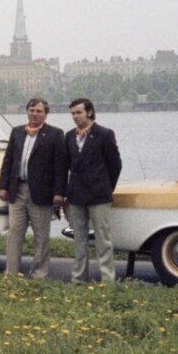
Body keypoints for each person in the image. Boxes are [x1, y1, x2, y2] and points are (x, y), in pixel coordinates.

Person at [0, 97, 67, 279]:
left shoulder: (55, 134)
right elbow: (8, 161)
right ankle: (11, 273)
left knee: (41, 236)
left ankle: (39, 274)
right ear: (27, 111)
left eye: (39, 111)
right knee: (14, 234)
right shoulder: (17, 132)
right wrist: (3, 186)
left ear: (45, 114)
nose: (35, 114)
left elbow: (61, 166)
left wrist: (59, 192)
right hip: (17, 190)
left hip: (41, 193)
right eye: (32, 110)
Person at [64, 97, 122, 284]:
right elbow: (66, 165)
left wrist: (106, 186)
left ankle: (108, 279)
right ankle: (79, 277)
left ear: (89, 112)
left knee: (103, 238)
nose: (75, 116)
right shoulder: (69, 136)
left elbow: (115, 164)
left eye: (79, 112)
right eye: (73, 113)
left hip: (99, 195)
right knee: (79, 239)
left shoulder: (104, 134)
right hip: (76, 195)